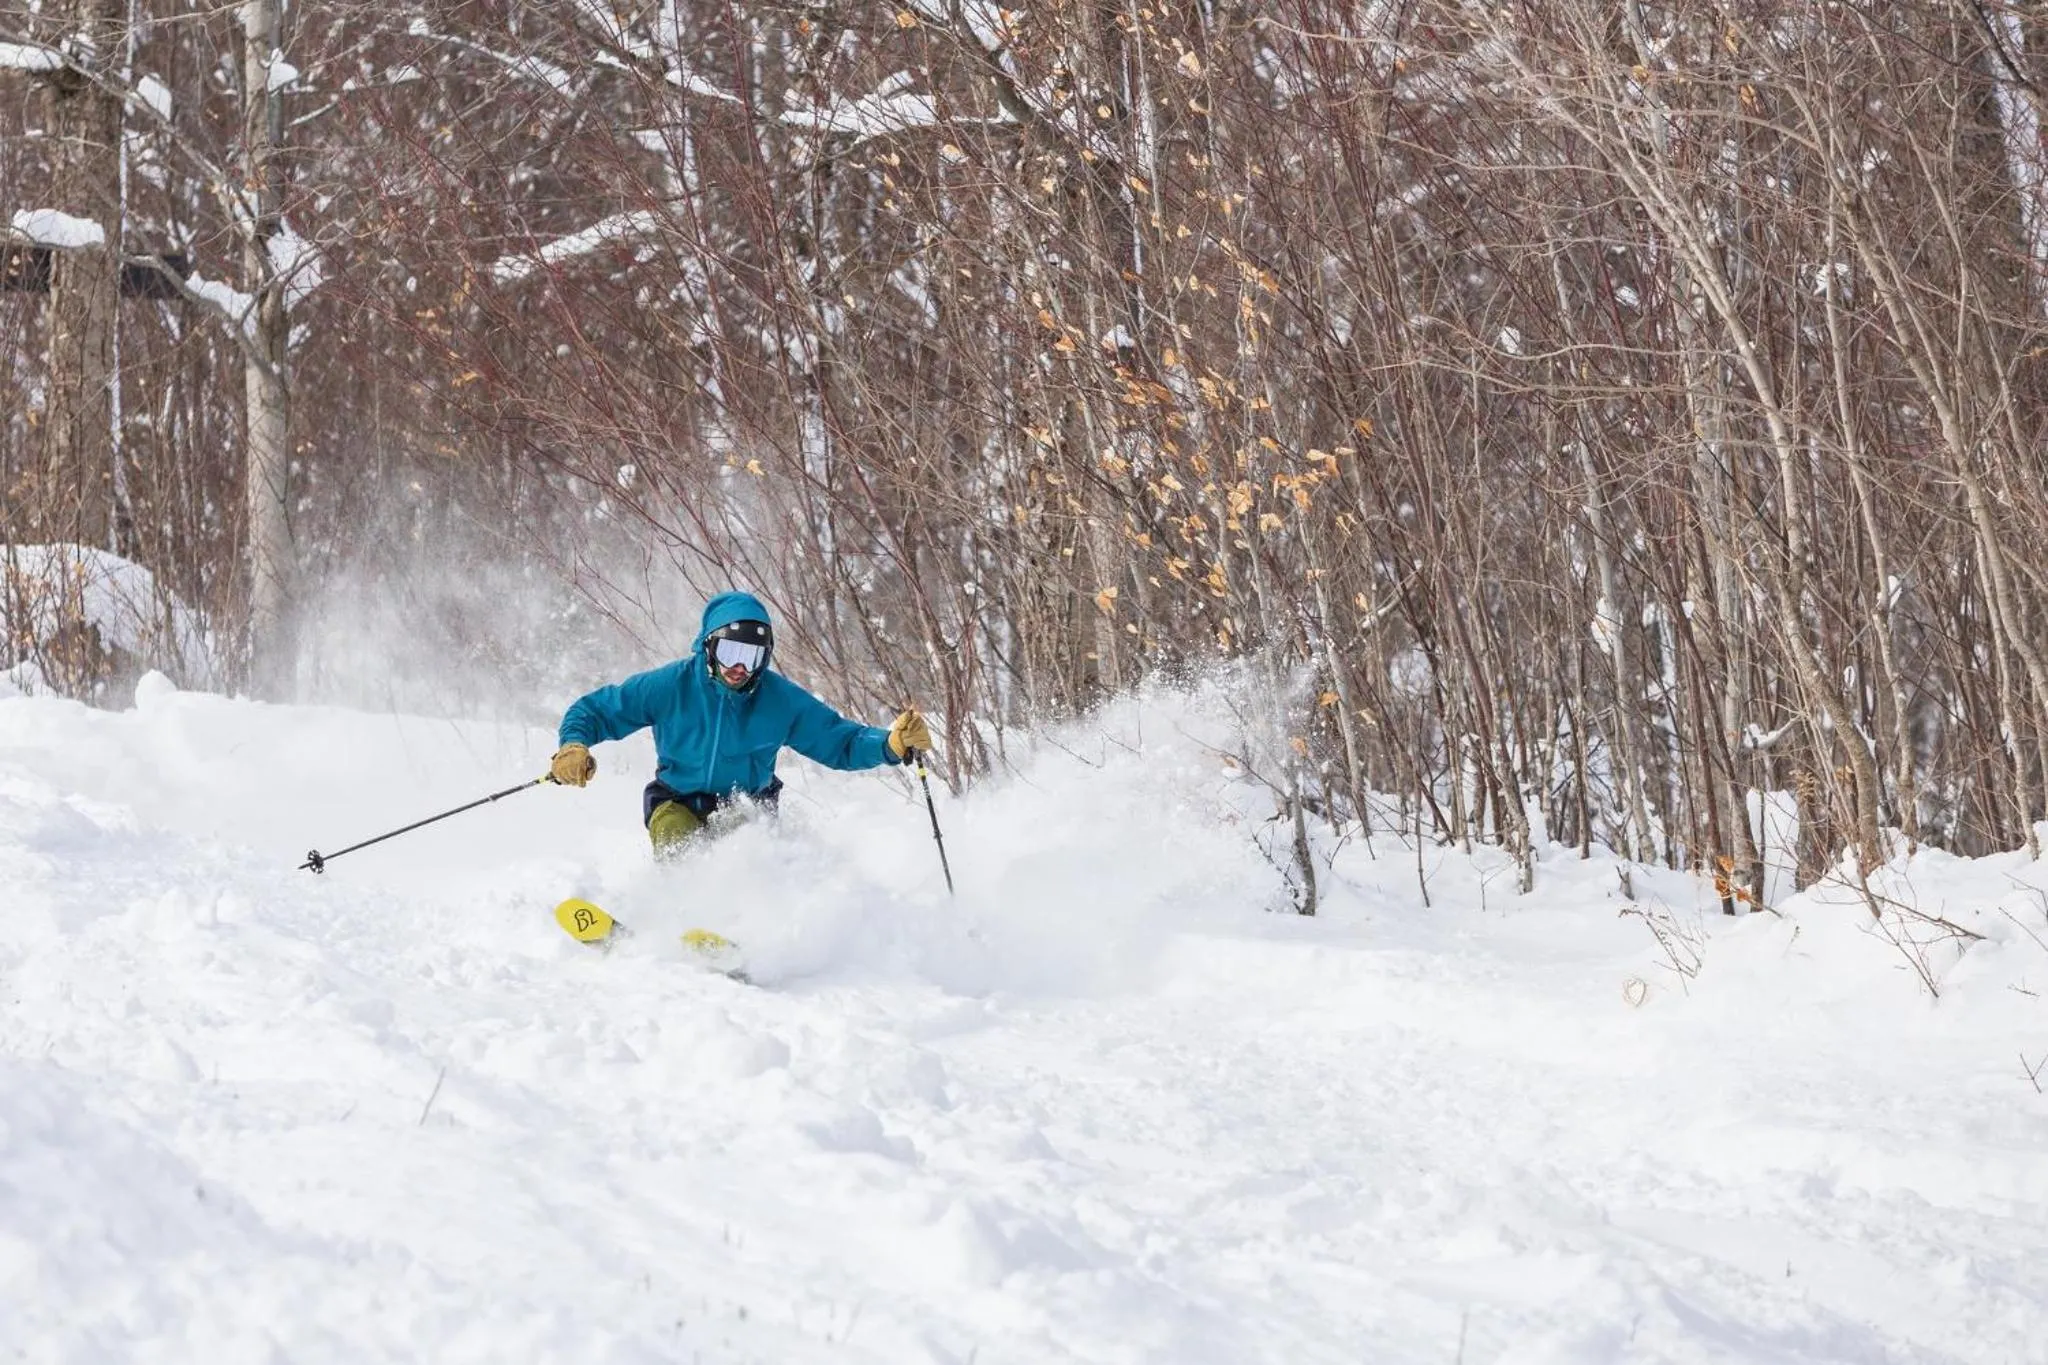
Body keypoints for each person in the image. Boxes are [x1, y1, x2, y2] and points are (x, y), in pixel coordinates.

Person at [548, 590, 931, 856]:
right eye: (730, 652)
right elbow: (597, 710)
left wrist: (889, 745)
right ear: (708, 646)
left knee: (739, 846)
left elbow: (839, 742)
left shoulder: (780, 700)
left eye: (751, 657)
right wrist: (573, 745)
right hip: (677, 799)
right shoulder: (671, 686)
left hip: (747, 804)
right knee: (675, 837)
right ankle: (681, 916)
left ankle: (744, 924)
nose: (738, 667)